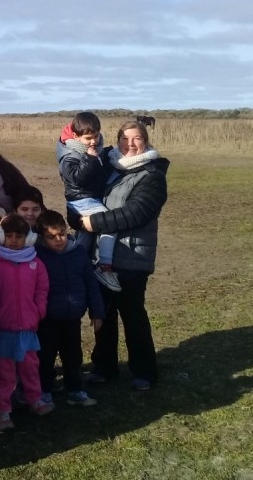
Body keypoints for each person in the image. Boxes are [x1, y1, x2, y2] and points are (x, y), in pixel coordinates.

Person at [79, 120, 169, 390]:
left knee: (132, 315)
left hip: (131, 255)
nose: (130, 144)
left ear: (146, 141)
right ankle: (104, 367)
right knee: (102, 315)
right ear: (117, 141)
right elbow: (84, 195)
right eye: (124, 139)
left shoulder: (152, 175)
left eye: (137, 138)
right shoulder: (108, 167)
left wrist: (94, 223)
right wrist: (77, 216)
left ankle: (144, 371)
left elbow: (137, 213)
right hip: (99, 256)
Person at [0, 213, 53, 432]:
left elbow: (42, 290)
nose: (14, 240)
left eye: (19, 236)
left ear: (29, 238)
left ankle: (35, 399)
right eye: (10, 235)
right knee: (3, 373)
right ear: (0, 236)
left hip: (28, 328)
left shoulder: (35, 263)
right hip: (2, 329)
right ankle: (2, 411)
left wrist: (39, 311)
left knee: (30, 367)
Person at [34, 210, 105, 408]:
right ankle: (45, 390)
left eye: (61, 234)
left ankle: (75, 389)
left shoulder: (78, 252)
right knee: (45, 356)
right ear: (42, 237)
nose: (58, 240)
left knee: (73, 355)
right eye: (51, 237)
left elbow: (90, 282)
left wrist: (96, 311)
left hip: (73, 315)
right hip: (47, 317)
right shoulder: (38, 256)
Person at [56, 111, 120, 292]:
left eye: (96, 136)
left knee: (86, 234)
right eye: (88, 138)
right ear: (76, 137)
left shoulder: (93, 150)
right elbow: (77, 179)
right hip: (81, 201)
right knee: (109, 224)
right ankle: (104, 267)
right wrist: (90, 159)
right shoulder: (70, 155)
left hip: (90, 198)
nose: (93, 141)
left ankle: (75, 263)